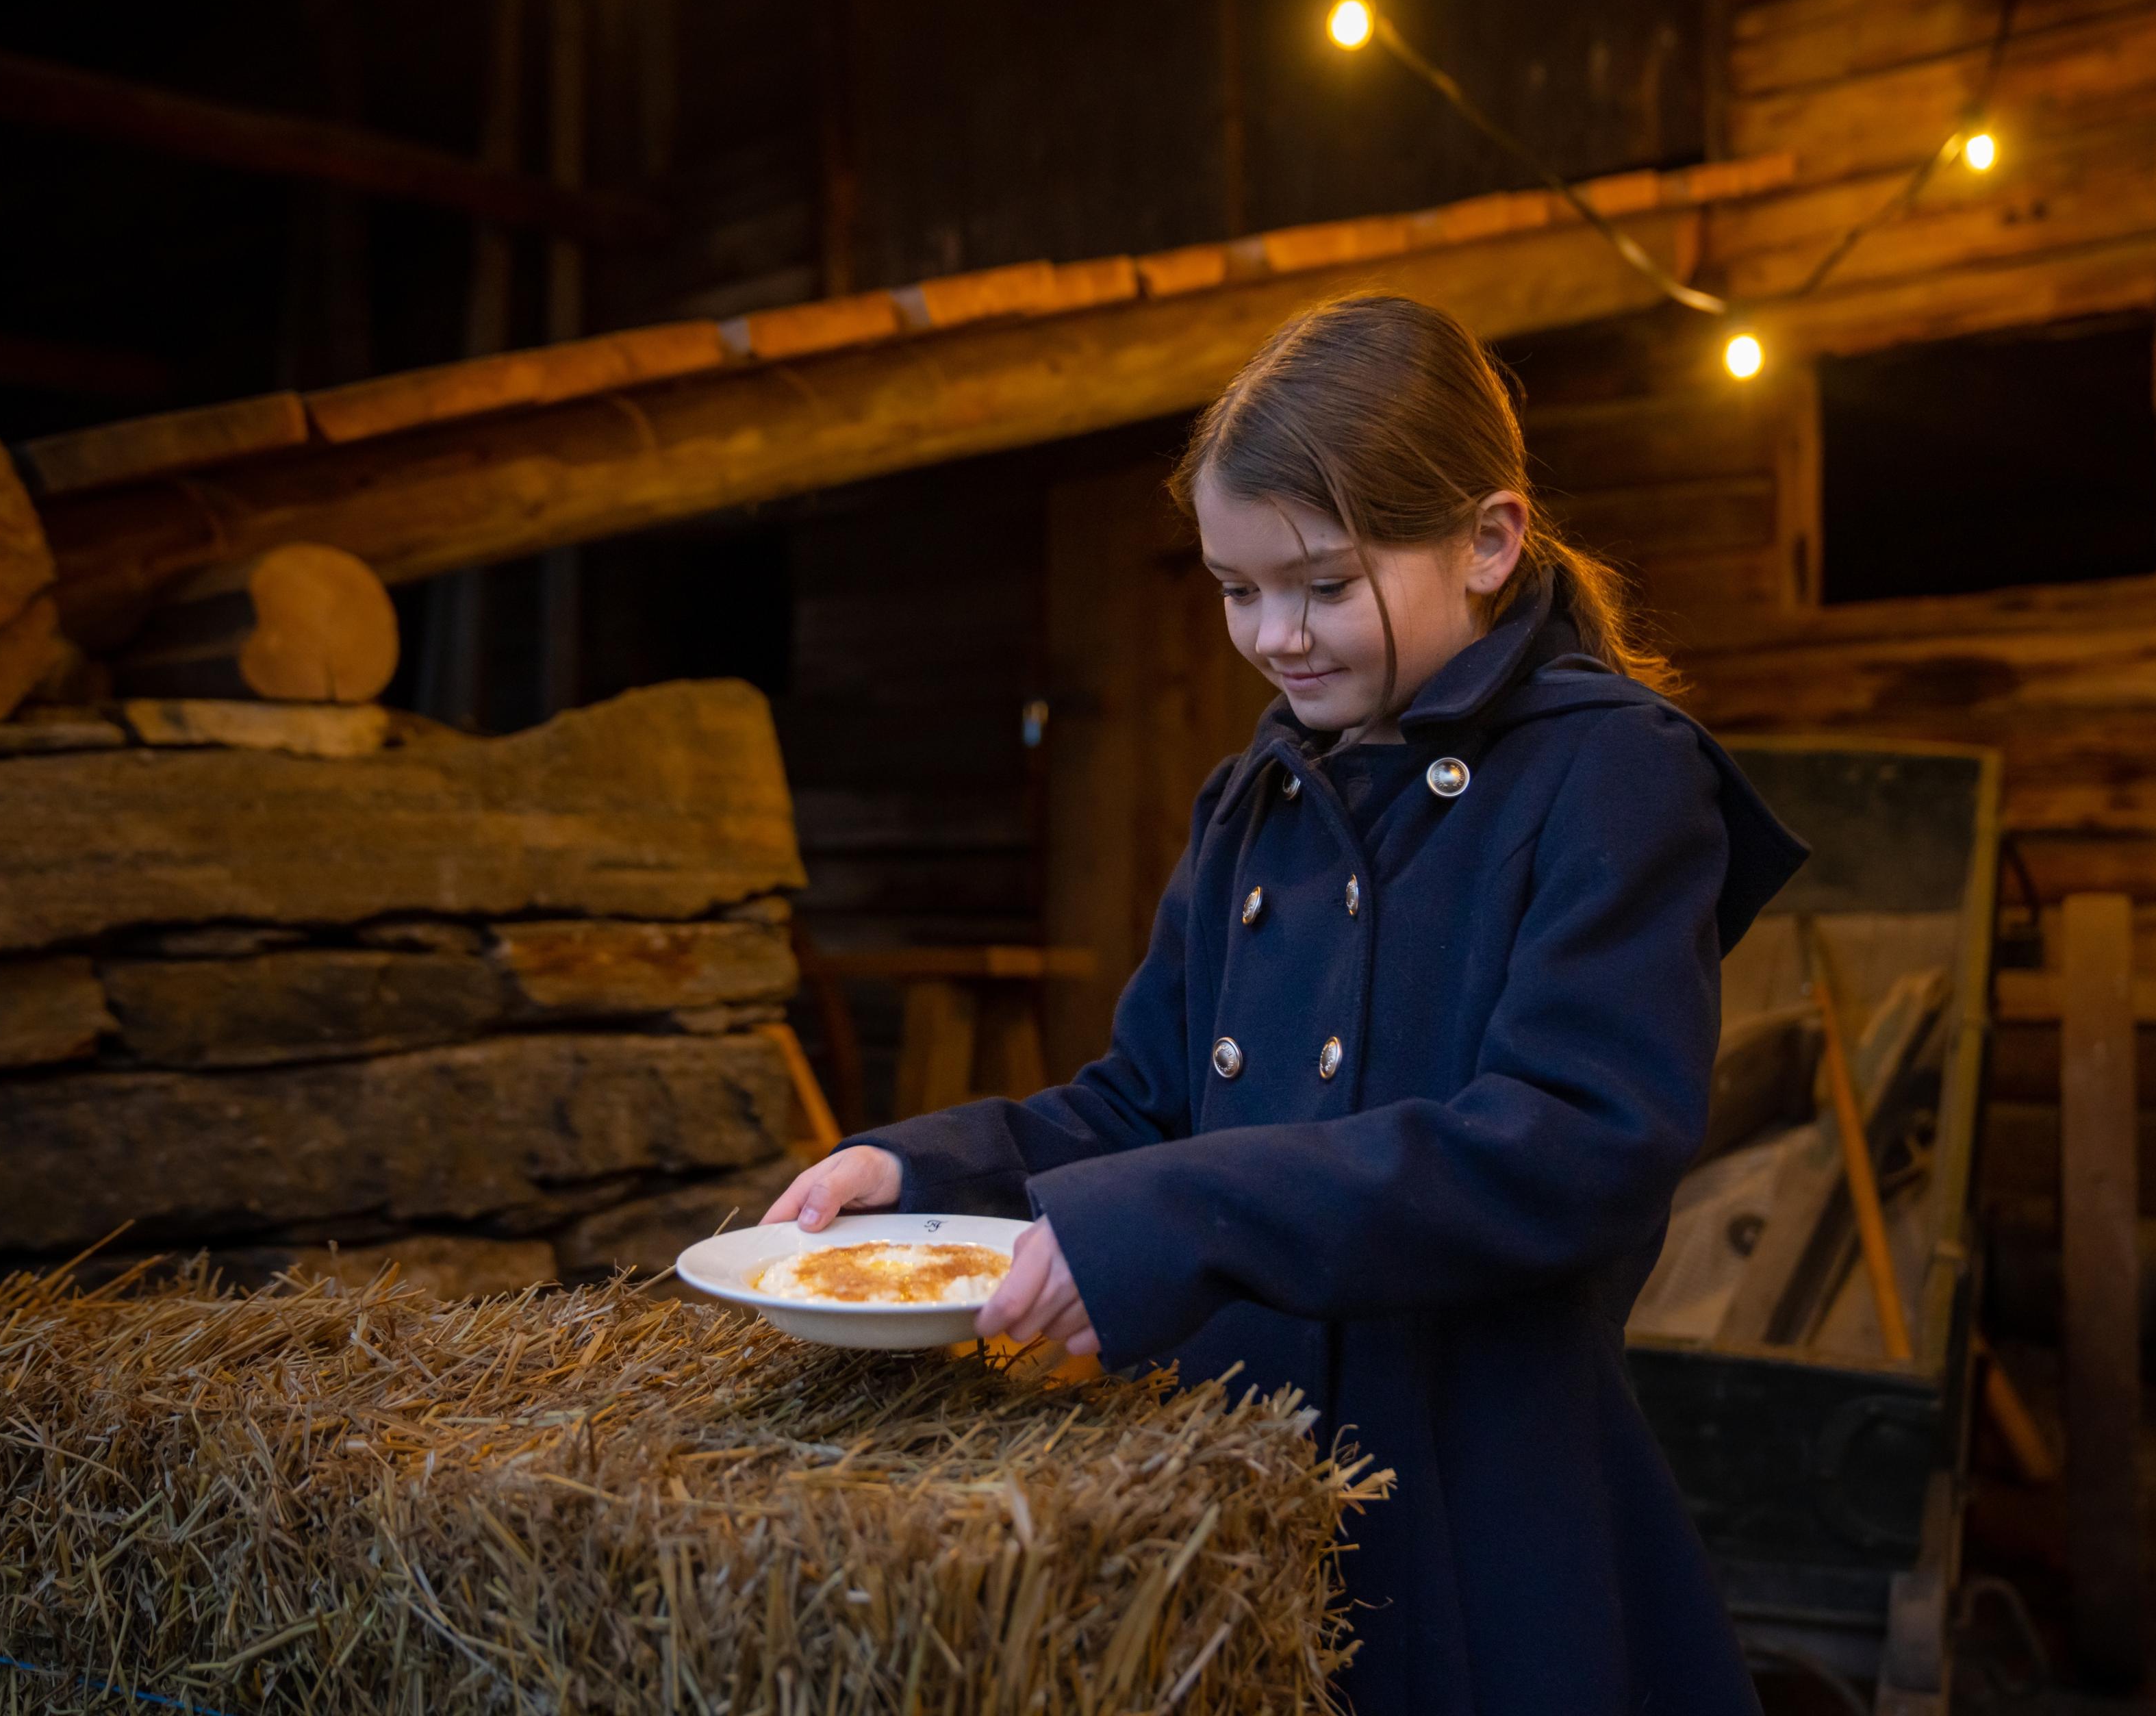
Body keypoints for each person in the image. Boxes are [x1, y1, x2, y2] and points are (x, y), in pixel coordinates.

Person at [763, 292, 1808, 1714]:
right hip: (1231, 1491)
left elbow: (1578, 1139)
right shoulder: (1255, 796)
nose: (1273, 636)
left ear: (1489, 542)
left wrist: (1171, 1219)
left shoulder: (1614, 776)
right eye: (1234, 586)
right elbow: (1146, 1101)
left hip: (1480, 1502)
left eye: (1320, 583)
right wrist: (921, 1169)